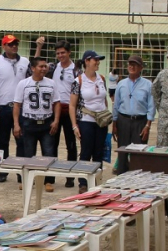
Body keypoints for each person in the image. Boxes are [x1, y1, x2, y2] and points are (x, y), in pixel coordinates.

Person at [34, 38, 81, 188]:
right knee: (51, 144)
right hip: (54, 110)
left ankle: (70, 176)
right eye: (58, 53)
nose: (60, 55)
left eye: (63, 53)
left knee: (71, 144)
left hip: (70, 110)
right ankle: (50, 178)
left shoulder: (76, 70)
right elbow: (36, 65)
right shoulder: (53, 67)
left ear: (69, 53)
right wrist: (39, 47)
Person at [13, 56, 61, 192]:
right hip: (29, 122)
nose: (44, 68)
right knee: (28, 153)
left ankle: (48, 181)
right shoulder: (23, 83)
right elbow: (17, 105)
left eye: (45, 66)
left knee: (49, 152)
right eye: (40, 66)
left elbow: (56, 102)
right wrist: (16, 124)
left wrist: (56, 121)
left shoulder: (51, 83)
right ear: (33, 68)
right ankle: (28, 179)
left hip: (46, 122)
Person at [0, 34, 31, 186]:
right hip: (3, 106)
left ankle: (20, 171)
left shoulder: (25, 62)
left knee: (22, 141)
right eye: (10, 44)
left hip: (20, 107)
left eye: (16, 44)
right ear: (4, 46)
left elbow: (31, 82)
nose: (14, 46)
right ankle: (3, 171)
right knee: (2, 141)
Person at [69, 50, 109, 193]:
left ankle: (97, 180)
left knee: (99, 152)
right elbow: (72, 105)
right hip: (86, 120)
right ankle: (83, 183)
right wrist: (75, 125)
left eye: (99, 60)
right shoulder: (78, 81)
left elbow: (104, 99)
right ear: (87, 61)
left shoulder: (102, 78)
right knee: (86, 152)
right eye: (95, 60)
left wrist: (106, 114)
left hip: (101, 121)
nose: (98, 63)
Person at [112, 55, 155, 175]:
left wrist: (148, 125)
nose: (131, 67)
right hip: (123, 120)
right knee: (122, 151)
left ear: (141, 67)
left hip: (140, 122)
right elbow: (116, 104)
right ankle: (121, 177)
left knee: (139, 152)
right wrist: (114, 123)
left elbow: (151, 106)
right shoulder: (121, 83)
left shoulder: (148, 85)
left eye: (135, 64)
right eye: (130, 64)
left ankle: (138, 179)